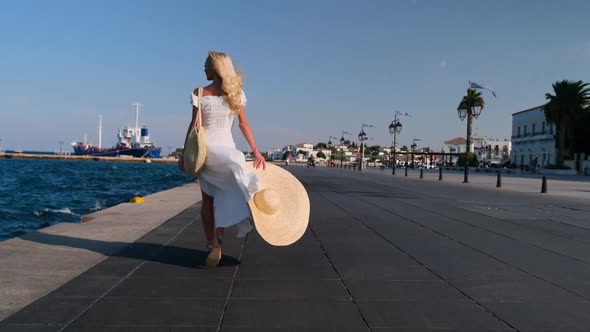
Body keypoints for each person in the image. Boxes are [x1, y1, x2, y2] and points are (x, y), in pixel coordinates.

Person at [179, 51, 266, 267]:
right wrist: (256, 151)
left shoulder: (199, 92)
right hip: (226, 153)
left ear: (215, 68)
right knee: (224, 197)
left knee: (208, 202)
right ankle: (219, 240)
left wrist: (184, 154)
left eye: (206, 65)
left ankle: (212, 245)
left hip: (205, 153)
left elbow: (194, 126)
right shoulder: (236, 93)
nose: (204, 68)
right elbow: (243, 125)